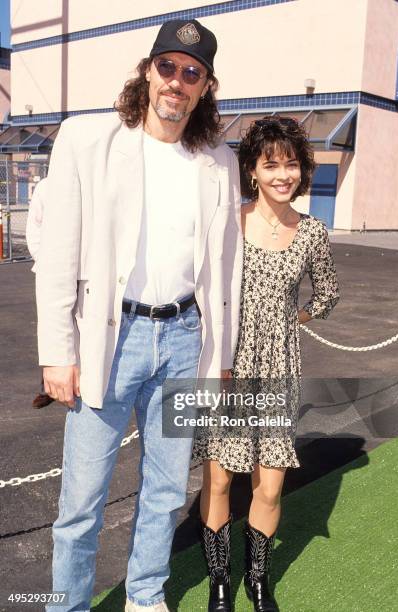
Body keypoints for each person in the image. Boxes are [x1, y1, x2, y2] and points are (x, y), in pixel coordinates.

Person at [35, 19, 242, 612]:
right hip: (111, 337)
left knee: (167, 488)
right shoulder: (88, 140)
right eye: (168, 67)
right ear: (148, 72)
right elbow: (59, 253)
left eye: (192, 73)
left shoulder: (218, 161)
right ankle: (66, 604)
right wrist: (57, 353)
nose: (177, 81)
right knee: (81, 499)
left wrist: (218, 359)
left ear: (205, 86)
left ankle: (145, 595)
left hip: (183, 337)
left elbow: (225, 268)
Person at [193, 116, 340, 612]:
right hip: (229, 365)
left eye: (291, 163)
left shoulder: (313, 232)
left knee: (270, 485)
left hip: (279, 370)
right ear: (252, 171)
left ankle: (257, 581)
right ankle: (219, 582)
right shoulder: (229, 222)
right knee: (217, 479)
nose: (283, 174)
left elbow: (328, 294)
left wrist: (292, 317)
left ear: (302, 170)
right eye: (270, 164)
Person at [25, 177, 55, 408]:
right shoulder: (46, 187)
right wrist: (47, 264)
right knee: (52, 328)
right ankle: (48, 386)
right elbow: (34, 230)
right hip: (52, 271)